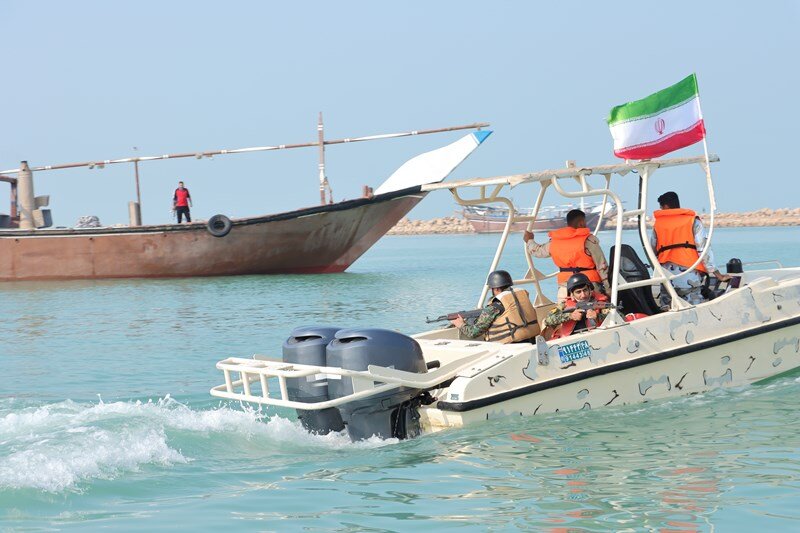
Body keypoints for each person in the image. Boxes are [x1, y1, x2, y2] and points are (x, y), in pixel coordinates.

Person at [650, 191, 730, 306]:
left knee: (668, 309)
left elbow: (652, 250)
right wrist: (719, 275)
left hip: (666, 277)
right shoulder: (693, 222)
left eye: (661, 207)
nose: (661, 209)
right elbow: (704, 250)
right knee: (694, 310)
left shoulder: (658, 225)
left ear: (666, 206)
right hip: (689, 276)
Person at [523, 209, 610, 302]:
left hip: (565, 287)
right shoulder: (589, 240)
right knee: (597, 312)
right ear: (581, 223)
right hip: (589, 286)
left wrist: (530, 240)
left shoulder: (554, 241)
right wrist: (609, 289)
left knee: (565, 312)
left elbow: (537, 251)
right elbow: (602, 267)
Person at [450, 270, 539, 344]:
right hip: (530, 341)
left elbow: (473, 332)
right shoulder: (520, 297)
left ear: (496, 289)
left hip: (509, 346)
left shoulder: (495, 306)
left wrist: (460, 324)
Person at [544, 273, 612, 339]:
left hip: (597, 338)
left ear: (589, 289)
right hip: (571, 341)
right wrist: (570, 316)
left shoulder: (600, 303)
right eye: (578, 292)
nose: (583, 295)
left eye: (585, 290)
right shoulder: (564, 305)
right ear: (572, 294)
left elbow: (618, 315)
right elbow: (548, 320)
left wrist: (598, 316)